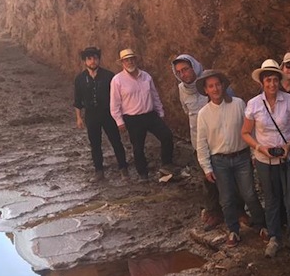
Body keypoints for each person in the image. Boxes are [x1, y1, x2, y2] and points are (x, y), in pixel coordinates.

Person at [241, 59, 290, 260]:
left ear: (280, 81)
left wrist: (288, 146)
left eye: (275, 80)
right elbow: (245, 132)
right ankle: (274, 237)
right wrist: (260, 148)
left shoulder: (289, 101)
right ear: (262, 82)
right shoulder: (253, 104)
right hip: (264, 160)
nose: (272, 84)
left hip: (289, 159)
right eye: (268, 80)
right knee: (271, 200)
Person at [195, 69, 266, 248]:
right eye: (211, 86)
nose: (215, 89)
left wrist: (253, 153)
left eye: (218, 84)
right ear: (205, 90)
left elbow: (250, 130)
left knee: (249, 193)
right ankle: (233, 230)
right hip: (219, 161)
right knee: (226, 199)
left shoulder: (238, 104)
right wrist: (206, 167)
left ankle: (261, 225)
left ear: (223, 85)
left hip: (241, 157)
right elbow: (201, 143)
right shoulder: (203, 114)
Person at [171, 53, 226, 229]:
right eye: (179, 72)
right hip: (198, 143)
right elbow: (186, 111)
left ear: (193, 66)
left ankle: (238, 211)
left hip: (219, 141)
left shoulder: (208, 82)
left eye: (185, 69)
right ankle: (214, 212)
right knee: (208, 180)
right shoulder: (181, 90)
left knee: (228, 178)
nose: (183, 74)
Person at [109, 48, 174, 181]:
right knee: (138, 147)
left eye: (131, 59)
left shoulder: (146, 76)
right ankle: (143, 174)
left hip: (150, 115)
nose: (130, 62)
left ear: (135, 60)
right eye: (126, 60)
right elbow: (114, 104)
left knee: (167, 136)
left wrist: (160, 111)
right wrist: (119, 121)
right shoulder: (117, 80)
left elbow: (154, 95)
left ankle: (166, 167)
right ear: (122, 63)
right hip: (132, 118)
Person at [73, 46, 128, 180]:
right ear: (85, 61)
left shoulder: (109, 76)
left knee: (116, 141)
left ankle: (123, 168)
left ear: (99, 59)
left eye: (95, 58)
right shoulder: (80, 79)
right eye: (89, 59)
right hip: (91, 115)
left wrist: (120, 116)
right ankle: (99, 171)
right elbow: (77, 100)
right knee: (95, 144)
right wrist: (79, 118)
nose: (93, 61)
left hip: (108, 113)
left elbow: (118, 97)